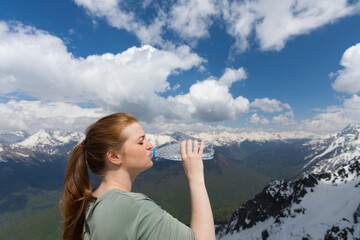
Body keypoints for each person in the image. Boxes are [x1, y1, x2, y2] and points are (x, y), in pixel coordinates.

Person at [60, 113, 215, 240]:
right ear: (114, 156)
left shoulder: (92, 200)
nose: (149, 145)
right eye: (141, 142)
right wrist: (196, 178)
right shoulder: (131, 206)